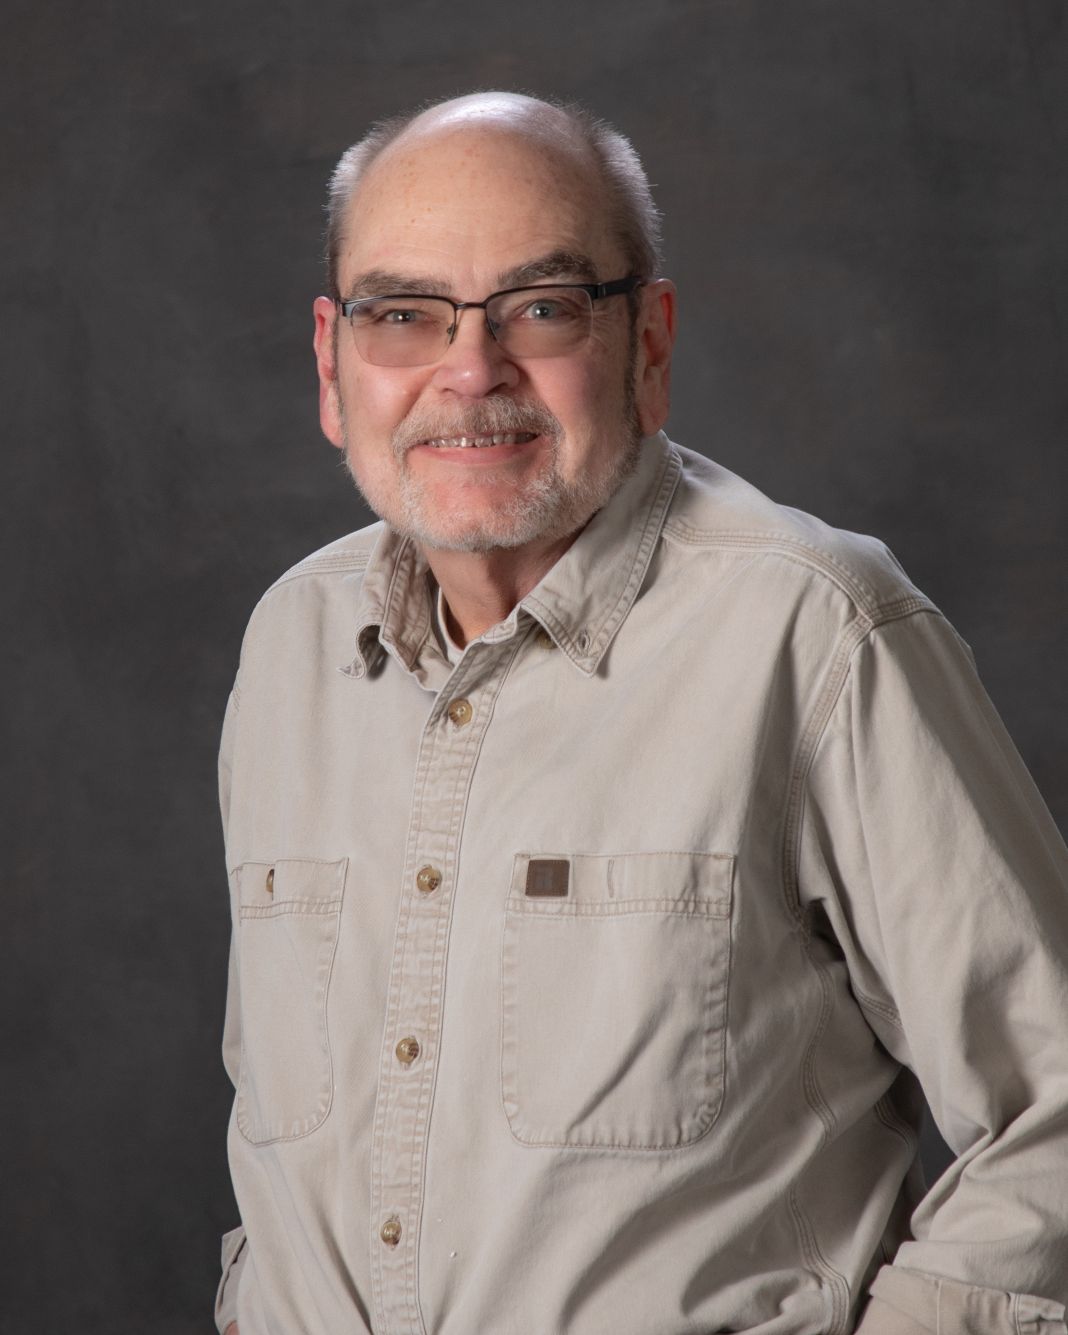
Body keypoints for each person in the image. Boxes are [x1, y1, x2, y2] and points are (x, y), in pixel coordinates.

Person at [215, 91, 1068, 1335]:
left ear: (649, 343)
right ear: (334, 365)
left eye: (542, 308)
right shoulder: (290, 645)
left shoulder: (817, 632)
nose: (470, 371)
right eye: (404, 315)